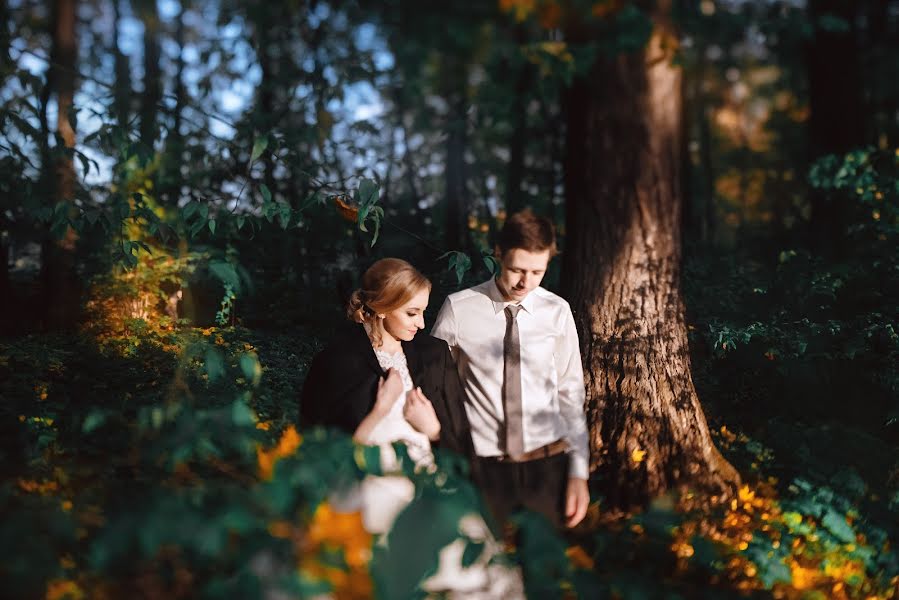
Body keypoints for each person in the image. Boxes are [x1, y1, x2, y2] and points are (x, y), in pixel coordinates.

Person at [431, 209, 590, 529]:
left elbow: (570, 392)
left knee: (543, 572)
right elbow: (435, 390)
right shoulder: (459, 309)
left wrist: (578, 473)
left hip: (548, 468)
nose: (525, 282)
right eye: (516, 269)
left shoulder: (557, 311)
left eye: (537, 272)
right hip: (483, 470)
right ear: (498, 253)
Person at [300, 258, 474, 533]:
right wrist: (380, 410)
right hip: (364, 500)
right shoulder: (337, 361)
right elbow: (319, 448)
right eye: (412, 313)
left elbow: (463, 436)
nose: (421, 323)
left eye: (423, 312)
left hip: (426, 495)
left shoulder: (435, 355)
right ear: (382, 308)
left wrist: (435, 431)